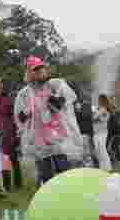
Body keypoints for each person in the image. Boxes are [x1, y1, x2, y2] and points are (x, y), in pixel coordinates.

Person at [14, 56, 83, 186]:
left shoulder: (53, 86)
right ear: (29, 72)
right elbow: (19, 118)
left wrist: (55, 101)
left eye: (41, 68)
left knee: (63, 169)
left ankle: (68, 195)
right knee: (46, 174)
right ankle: (50, 198)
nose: (40, 72)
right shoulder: (24, 94)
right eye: (35, 69)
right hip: (39, 140)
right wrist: (27, 112)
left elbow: (66, 103)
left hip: (56, 136)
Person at [0, 78, 21, 191]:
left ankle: (8, 185)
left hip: (8, 132)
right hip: (1, 131)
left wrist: (16, 134)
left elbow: (14, 117)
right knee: (11, 159)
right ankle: (16, 183)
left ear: (2, 86)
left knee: (7, 159)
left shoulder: (8, 100)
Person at [92, 94, 113, 171]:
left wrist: (95, 113)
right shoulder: (100, 109)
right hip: (97, 132)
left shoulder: (103, 109)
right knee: (98, 150)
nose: (98, 101)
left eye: (99, 100)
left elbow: (94, 117)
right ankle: (102, 167)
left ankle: (107, 167)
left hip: (102, 132)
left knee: (102, 149)